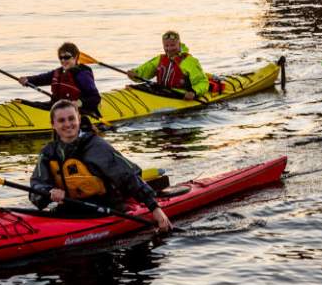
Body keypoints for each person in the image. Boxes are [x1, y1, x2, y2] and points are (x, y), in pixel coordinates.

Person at [29, 100, 171, 232]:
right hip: (71, 208)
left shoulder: (96, 146)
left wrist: (155, 208)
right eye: (61, 120)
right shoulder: (48, 153)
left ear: (79, 119)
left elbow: (128, 176)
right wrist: (49, 192)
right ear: (53, 124)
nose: (67, 124)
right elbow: (36, 186)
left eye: (71, 118)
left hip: (106, 208)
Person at [18, 42, 101, 126]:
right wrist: (27, 80)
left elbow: (95, 98)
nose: (63, 61)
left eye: (66, 57)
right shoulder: (58, 72)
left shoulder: (82, 75)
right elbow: (42, 78)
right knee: (26, 103)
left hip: (80, 109)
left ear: (75, 57)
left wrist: (78, 103)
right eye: (60, 58)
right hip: (57, 105)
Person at [129, 31, 212, 99]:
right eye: (166, 46)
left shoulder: (189, 61)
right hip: (162, 92)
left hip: (180, 95)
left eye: (173, 45)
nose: (169, 49)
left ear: (179, 44)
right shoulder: (160, 59)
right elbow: (145, 71)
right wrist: (135, 73)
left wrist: (194, 92)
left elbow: (202, 82)